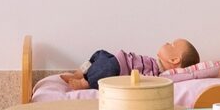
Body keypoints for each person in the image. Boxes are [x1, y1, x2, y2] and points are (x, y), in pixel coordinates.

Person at [60, 38, 202, 91]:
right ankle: (80, 72)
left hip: (118, 67)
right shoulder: (156, 63)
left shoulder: (158, 75)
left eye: (171, 45)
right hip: (117, 58)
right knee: (100, 53)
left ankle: (84, 83)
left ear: (174, 60)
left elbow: (142, 81)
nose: (166, 42)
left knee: (106, 68)